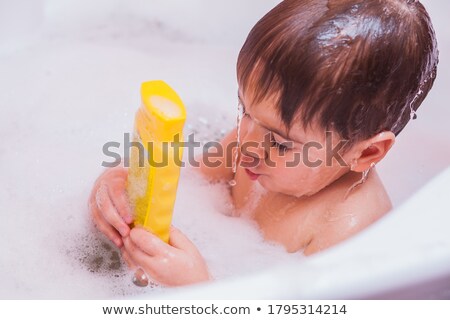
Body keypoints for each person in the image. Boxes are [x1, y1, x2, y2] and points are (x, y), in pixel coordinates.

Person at [89, 0, 439, 286]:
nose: (246, 145)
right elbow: (187, 179)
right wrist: (123, 186)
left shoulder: (349, 230)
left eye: (281, 143)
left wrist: (199, 289)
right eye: (245, 109)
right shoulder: (252, 144)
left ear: (366, 153)